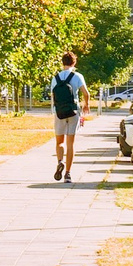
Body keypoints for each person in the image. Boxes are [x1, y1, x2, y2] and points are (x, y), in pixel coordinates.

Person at [50, 51, 88, 181]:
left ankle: (60, 161)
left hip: (59, 112)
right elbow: (85, 93)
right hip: (73, 111)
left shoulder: (55, 78)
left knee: (59, 142)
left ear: (62, 62)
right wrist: (86, 105)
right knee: (70, 143)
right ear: (74, 62)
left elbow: (53, 96)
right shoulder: (77, 76)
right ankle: (68, 173)